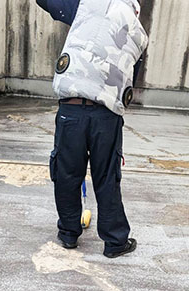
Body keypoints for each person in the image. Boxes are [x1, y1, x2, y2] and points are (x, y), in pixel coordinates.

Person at [36, 0, 148, 258]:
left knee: (66, 173)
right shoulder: (139, 34)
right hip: (106, 116)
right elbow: (131, 78)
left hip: (72, 109)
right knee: (107, 176)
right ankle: (115, 242)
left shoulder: (86, 4)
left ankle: (68, 234)